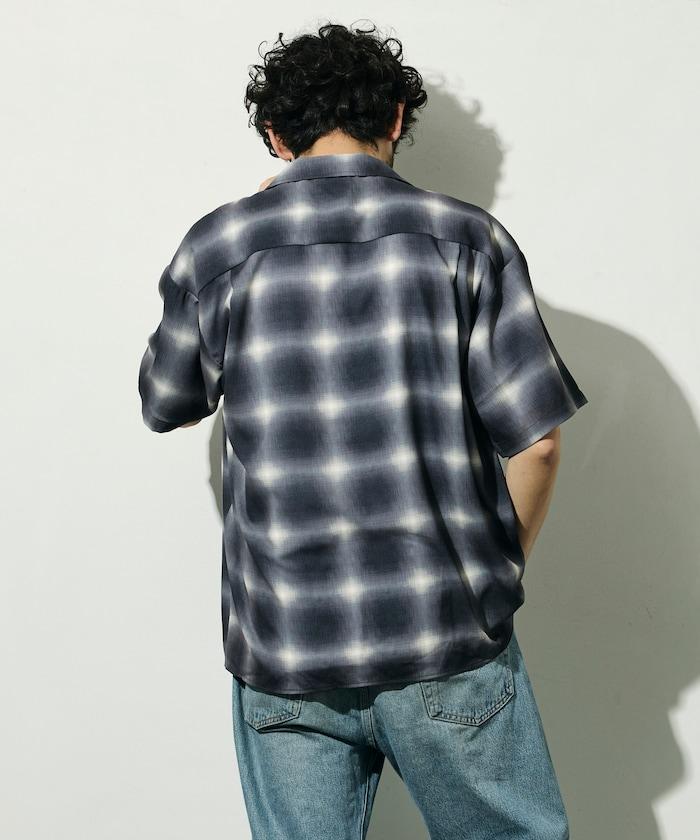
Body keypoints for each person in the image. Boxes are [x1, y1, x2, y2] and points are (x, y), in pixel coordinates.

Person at [138, 20, 588, 840]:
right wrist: (491, 577)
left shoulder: (219, 246)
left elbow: (167, 401)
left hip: (287, 645)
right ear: (396, 117)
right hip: (444, 631)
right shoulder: (468, 240)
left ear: (276, 136)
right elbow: (540, 441)